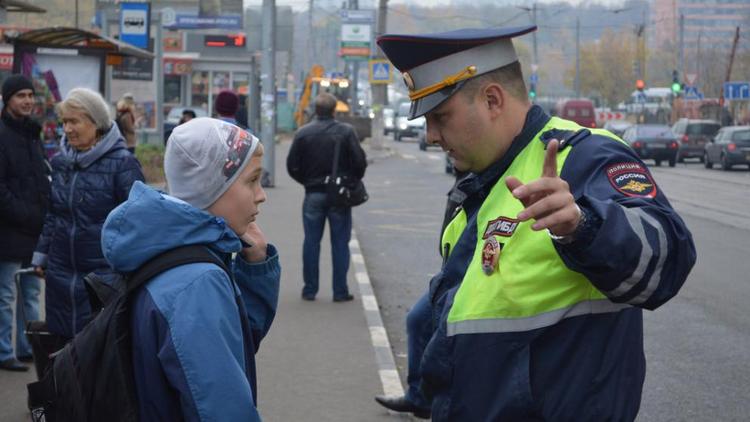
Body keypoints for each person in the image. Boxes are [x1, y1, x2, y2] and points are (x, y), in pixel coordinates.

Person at [375, 26, 696, 421]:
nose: (430, 136)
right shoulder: (481, 180)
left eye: (441, 116)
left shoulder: (584, 155)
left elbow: (667, 257)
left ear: (493, 100)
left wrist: (583, 226)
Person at [100, 117, 280, 420]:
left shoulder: (174, 247)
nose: (261, 194)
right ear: (211, 187)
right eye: (251, 180)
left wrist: (256, 264)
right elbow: (220, 409)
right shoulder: (196, 282)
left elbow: (233, 340)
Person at [31, 87, 144, 341]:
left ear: (97, 123)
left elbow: (138, 221)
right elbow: (54, 214)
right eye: (64, 122)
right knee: (61, 349)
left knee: (96, 351)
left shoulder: (123, 164)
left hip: (102, 277)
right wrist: (43, 254)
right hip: (61, 274)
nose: (67, 129)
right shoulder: (61, 163)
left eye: (74, 121)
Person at [286, 93, 367, 302]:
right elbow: (359, 163)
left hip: (313, 194)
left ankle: (310, 290)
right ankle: (340, 292)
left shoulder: (303, 133)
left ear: (315, 110)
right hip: (339, 195)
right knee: (340, 243)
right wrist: (349, 181)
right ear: (334, 110)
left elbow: (292, 165)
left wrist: (306, 181)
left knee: (311, 242)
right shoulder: (346, 132)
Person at [0, 75, 49, 372]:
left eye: (31, 95)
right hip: (7, 230)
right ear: (8, 99)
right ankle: (4, 351)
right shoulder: (2, 135)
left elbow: (40, 180)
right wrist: (27, 214)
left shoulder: (32, 133)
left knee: (30, 293)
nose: (28, 100)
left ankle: (28, 346)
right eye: (21, 95)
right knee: (5, 295)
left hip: (33, 229)